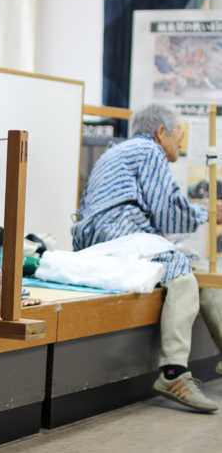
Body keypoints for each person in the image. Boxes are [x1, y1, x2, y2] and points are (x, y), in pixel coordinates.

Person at [73, 102, 222, 413]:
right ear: (161, 132)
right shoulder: (148, 151)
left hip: (106, 231)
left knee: (197, 266)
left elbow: (159, 210)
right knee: (181, 268)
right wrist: (207, 212)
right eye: (179, 133)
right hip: (115, 231)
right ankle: (173, 372)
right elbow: (168, 213)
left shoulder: (122, 150)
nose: (181, 140)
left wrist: (201, 213)